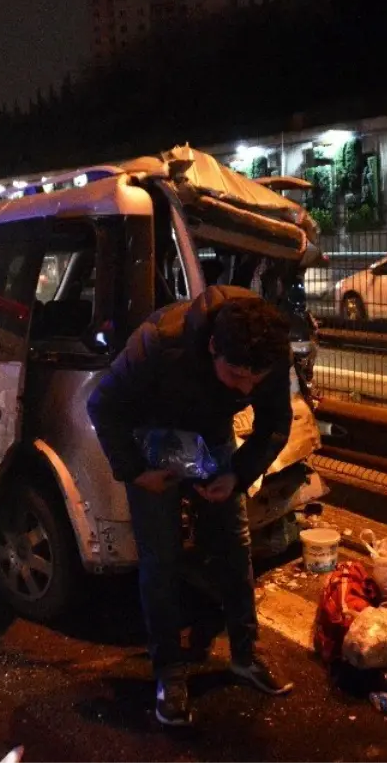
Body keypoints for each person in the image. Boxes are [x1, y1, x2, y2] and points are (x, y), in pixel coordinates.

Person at [86, 285, 295, 726]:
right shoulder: (159, 342)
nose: (246, 388)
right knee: (160, 559)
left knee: (235, 546)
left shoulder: (268, 354)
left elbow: (275, 422)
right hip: (153, 438)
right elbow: (102, 404)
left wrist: (237, 473)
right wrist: (135, 471)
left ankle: (244, 654)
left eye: (254, 381)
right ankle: (169, 672)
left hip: (213, 438)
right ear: (215, 345)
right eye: (237, 376)